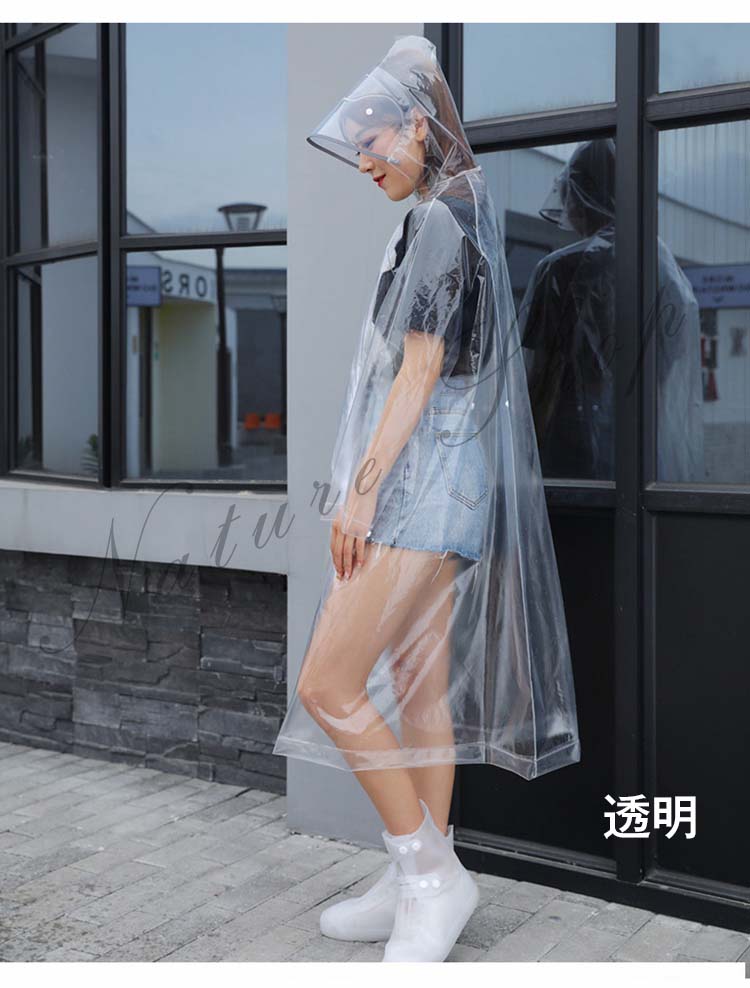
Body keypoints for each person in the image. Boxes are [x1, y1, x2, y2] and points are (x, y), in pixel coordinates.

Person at [272, 35, 581, 963]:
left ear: (415, 125)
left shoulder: (443, 219)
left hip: (425, 474)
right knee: (416, 684)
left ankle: (430, 876)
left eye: (371, 142)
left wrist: (360, 495)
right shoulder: (454, 209)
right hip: (451, 470)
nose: (363, 162)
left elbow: (419, 370)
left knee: (328, 683)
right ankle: (422, 871)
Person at [519, 137, 705, 482]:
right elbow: (668, 367)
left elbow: (541, 380)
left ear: (577, 195)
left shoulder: (559, 270)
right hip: (643, 456)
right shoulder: (663, 268)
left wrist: (521, 463)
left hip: (569, 461)